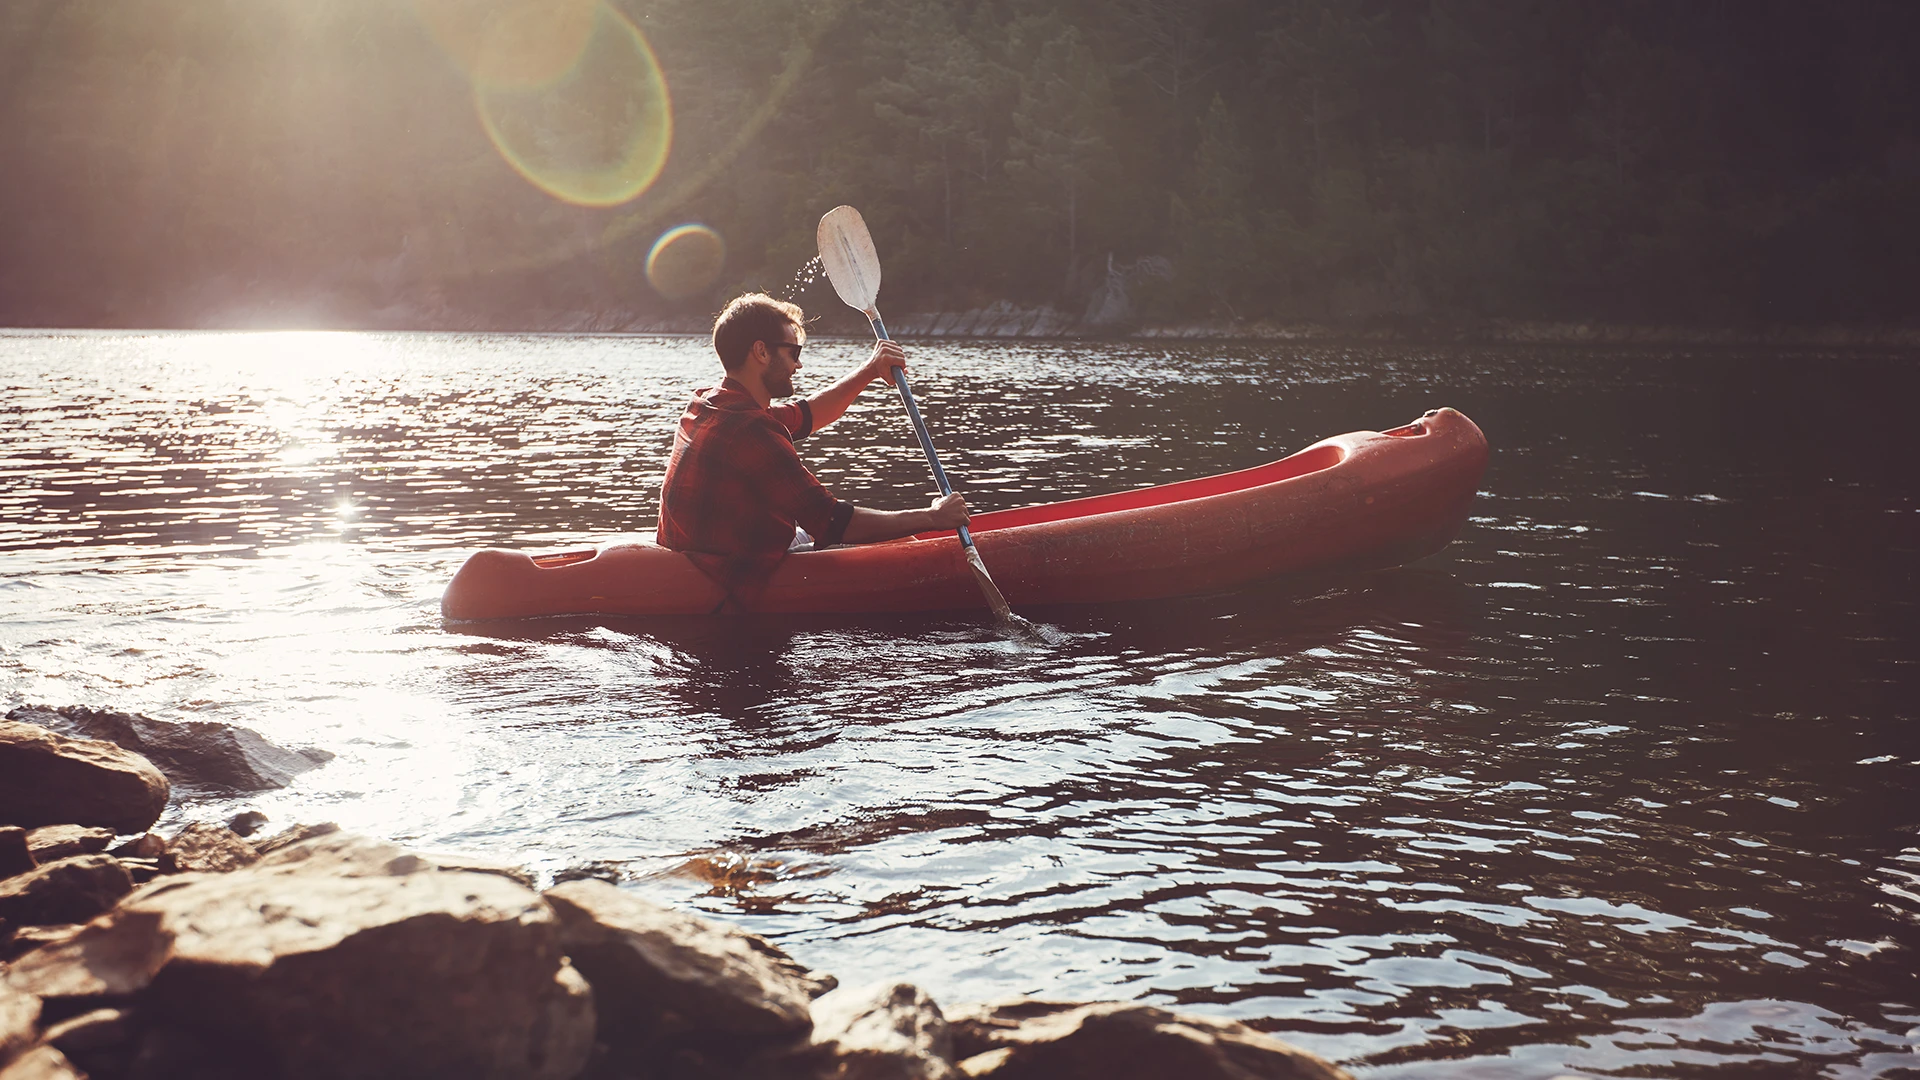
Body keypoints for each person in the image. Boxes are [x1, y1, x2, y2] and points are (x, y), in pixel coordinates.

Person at [657, 292, 971, 611]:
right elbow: (831, 521)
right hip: (732, 569)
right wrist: (933, 517)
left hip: (712, 546)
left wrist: (870, 371)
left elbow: (809, 414)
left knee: (893, 534)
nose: (798, 364)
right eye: (793, 352)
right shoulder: (751, 429)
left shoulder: (711, 403)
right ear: (761, 352)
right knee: (900, 542)